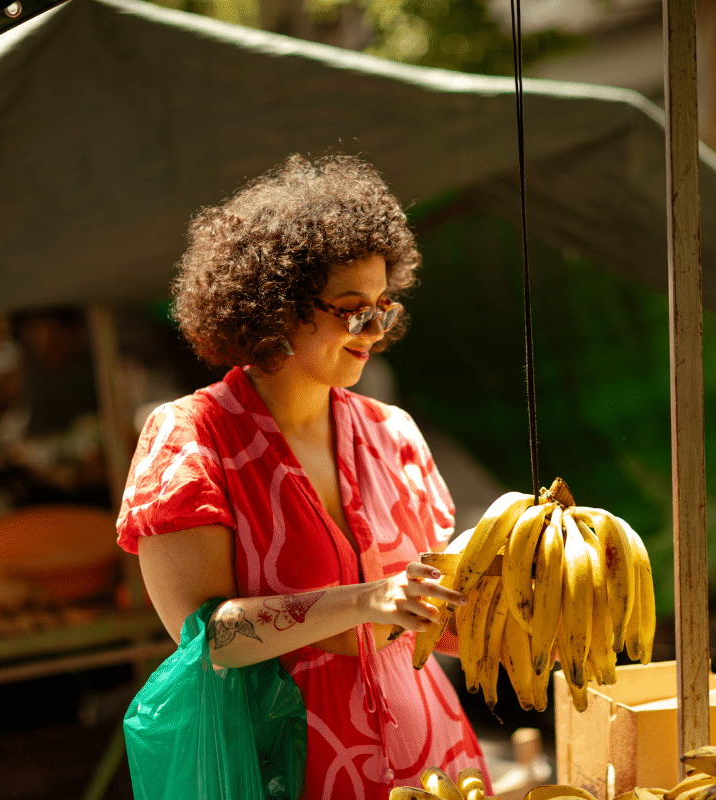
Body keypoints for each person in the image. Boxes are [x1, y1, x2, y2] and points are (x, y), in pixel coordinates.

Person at [116, 154, 493, 800]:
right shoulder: (193, 438)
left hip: (436, 768)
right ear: (280, 306)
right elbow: (209, 641)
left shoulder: (393, 434)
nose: (373, 332)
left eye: (383, 309)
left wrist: (511, 614)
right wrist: (364, 600)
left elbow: (429, 623)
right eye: (352, 310)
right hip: (290, 774)